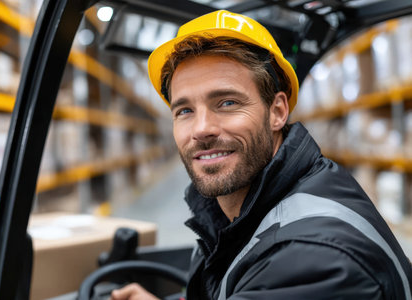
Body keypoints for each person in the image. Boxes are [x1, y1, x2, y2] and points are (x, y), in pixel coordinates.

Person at [111, 10, 412, 300]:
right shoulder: (240, 213)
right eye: (185, 110)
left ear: (277, 112)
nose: (201, 129)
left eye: (227, 102)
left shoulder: (311, 260)